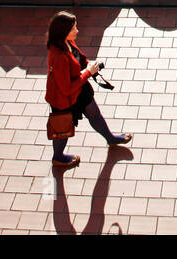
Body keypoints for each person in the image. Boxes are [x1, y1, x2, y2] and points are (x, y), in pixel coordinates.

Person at [45, 11, 131, 169]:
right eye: (73, 29)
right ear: (64, 32)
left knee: (94, 114)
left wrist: (89, 65)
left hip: (79, 89)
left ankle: (110, 138)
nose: (77, 31)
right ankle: (58, 157)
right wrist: (88, 72)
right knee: (62, 129)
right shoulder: (59, 57)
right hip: (64, 99)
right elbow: (66, 88)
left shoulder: (67, 43)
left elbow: (79, 58)